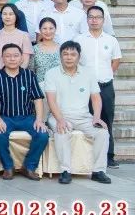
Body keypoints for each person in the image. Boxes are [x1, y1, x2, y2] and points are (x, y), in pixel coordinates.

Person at [45, 40, 112, 184]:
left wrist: (96, 117)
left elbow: (96, 98)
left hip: (83, 117)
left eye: (73, 54)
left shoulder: (88, 73)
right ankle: (65, 171)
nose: (69, 57)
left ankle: (98, 171)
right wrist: (60, 120)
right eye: (65, 54)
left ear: (79, 57)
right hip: (59, 115)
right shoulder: (52, 73)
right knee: (62, 130)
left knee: (102, 133)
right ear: (60, 56)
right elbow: (51, 100)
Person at [0, 44, 48, 180]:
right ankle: (8, 167)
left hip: (27, 117)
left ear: (21, 58)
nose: (12, 59)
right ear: (2, 58)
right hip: (5, 117)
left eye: (16, 56)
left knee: (43, 135)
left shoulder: (29, 75)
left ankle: (29, 167)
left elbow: (38, 99)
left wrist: (39, 120)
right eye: (8, 56)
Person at [78, 6, 121, 169]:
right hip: (85, 88)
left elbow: (116, 60)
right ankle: (88, 156)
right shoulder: (79, 39)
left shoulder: (111, 40)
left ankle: (109, 156)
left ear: (103, 20)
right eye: (91, 17)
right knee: (88, 120)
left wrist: (107, 74)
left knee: (107, 120)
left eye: (98, 17)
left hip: (105, 86)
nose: (94, 20)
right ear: (87, 19)